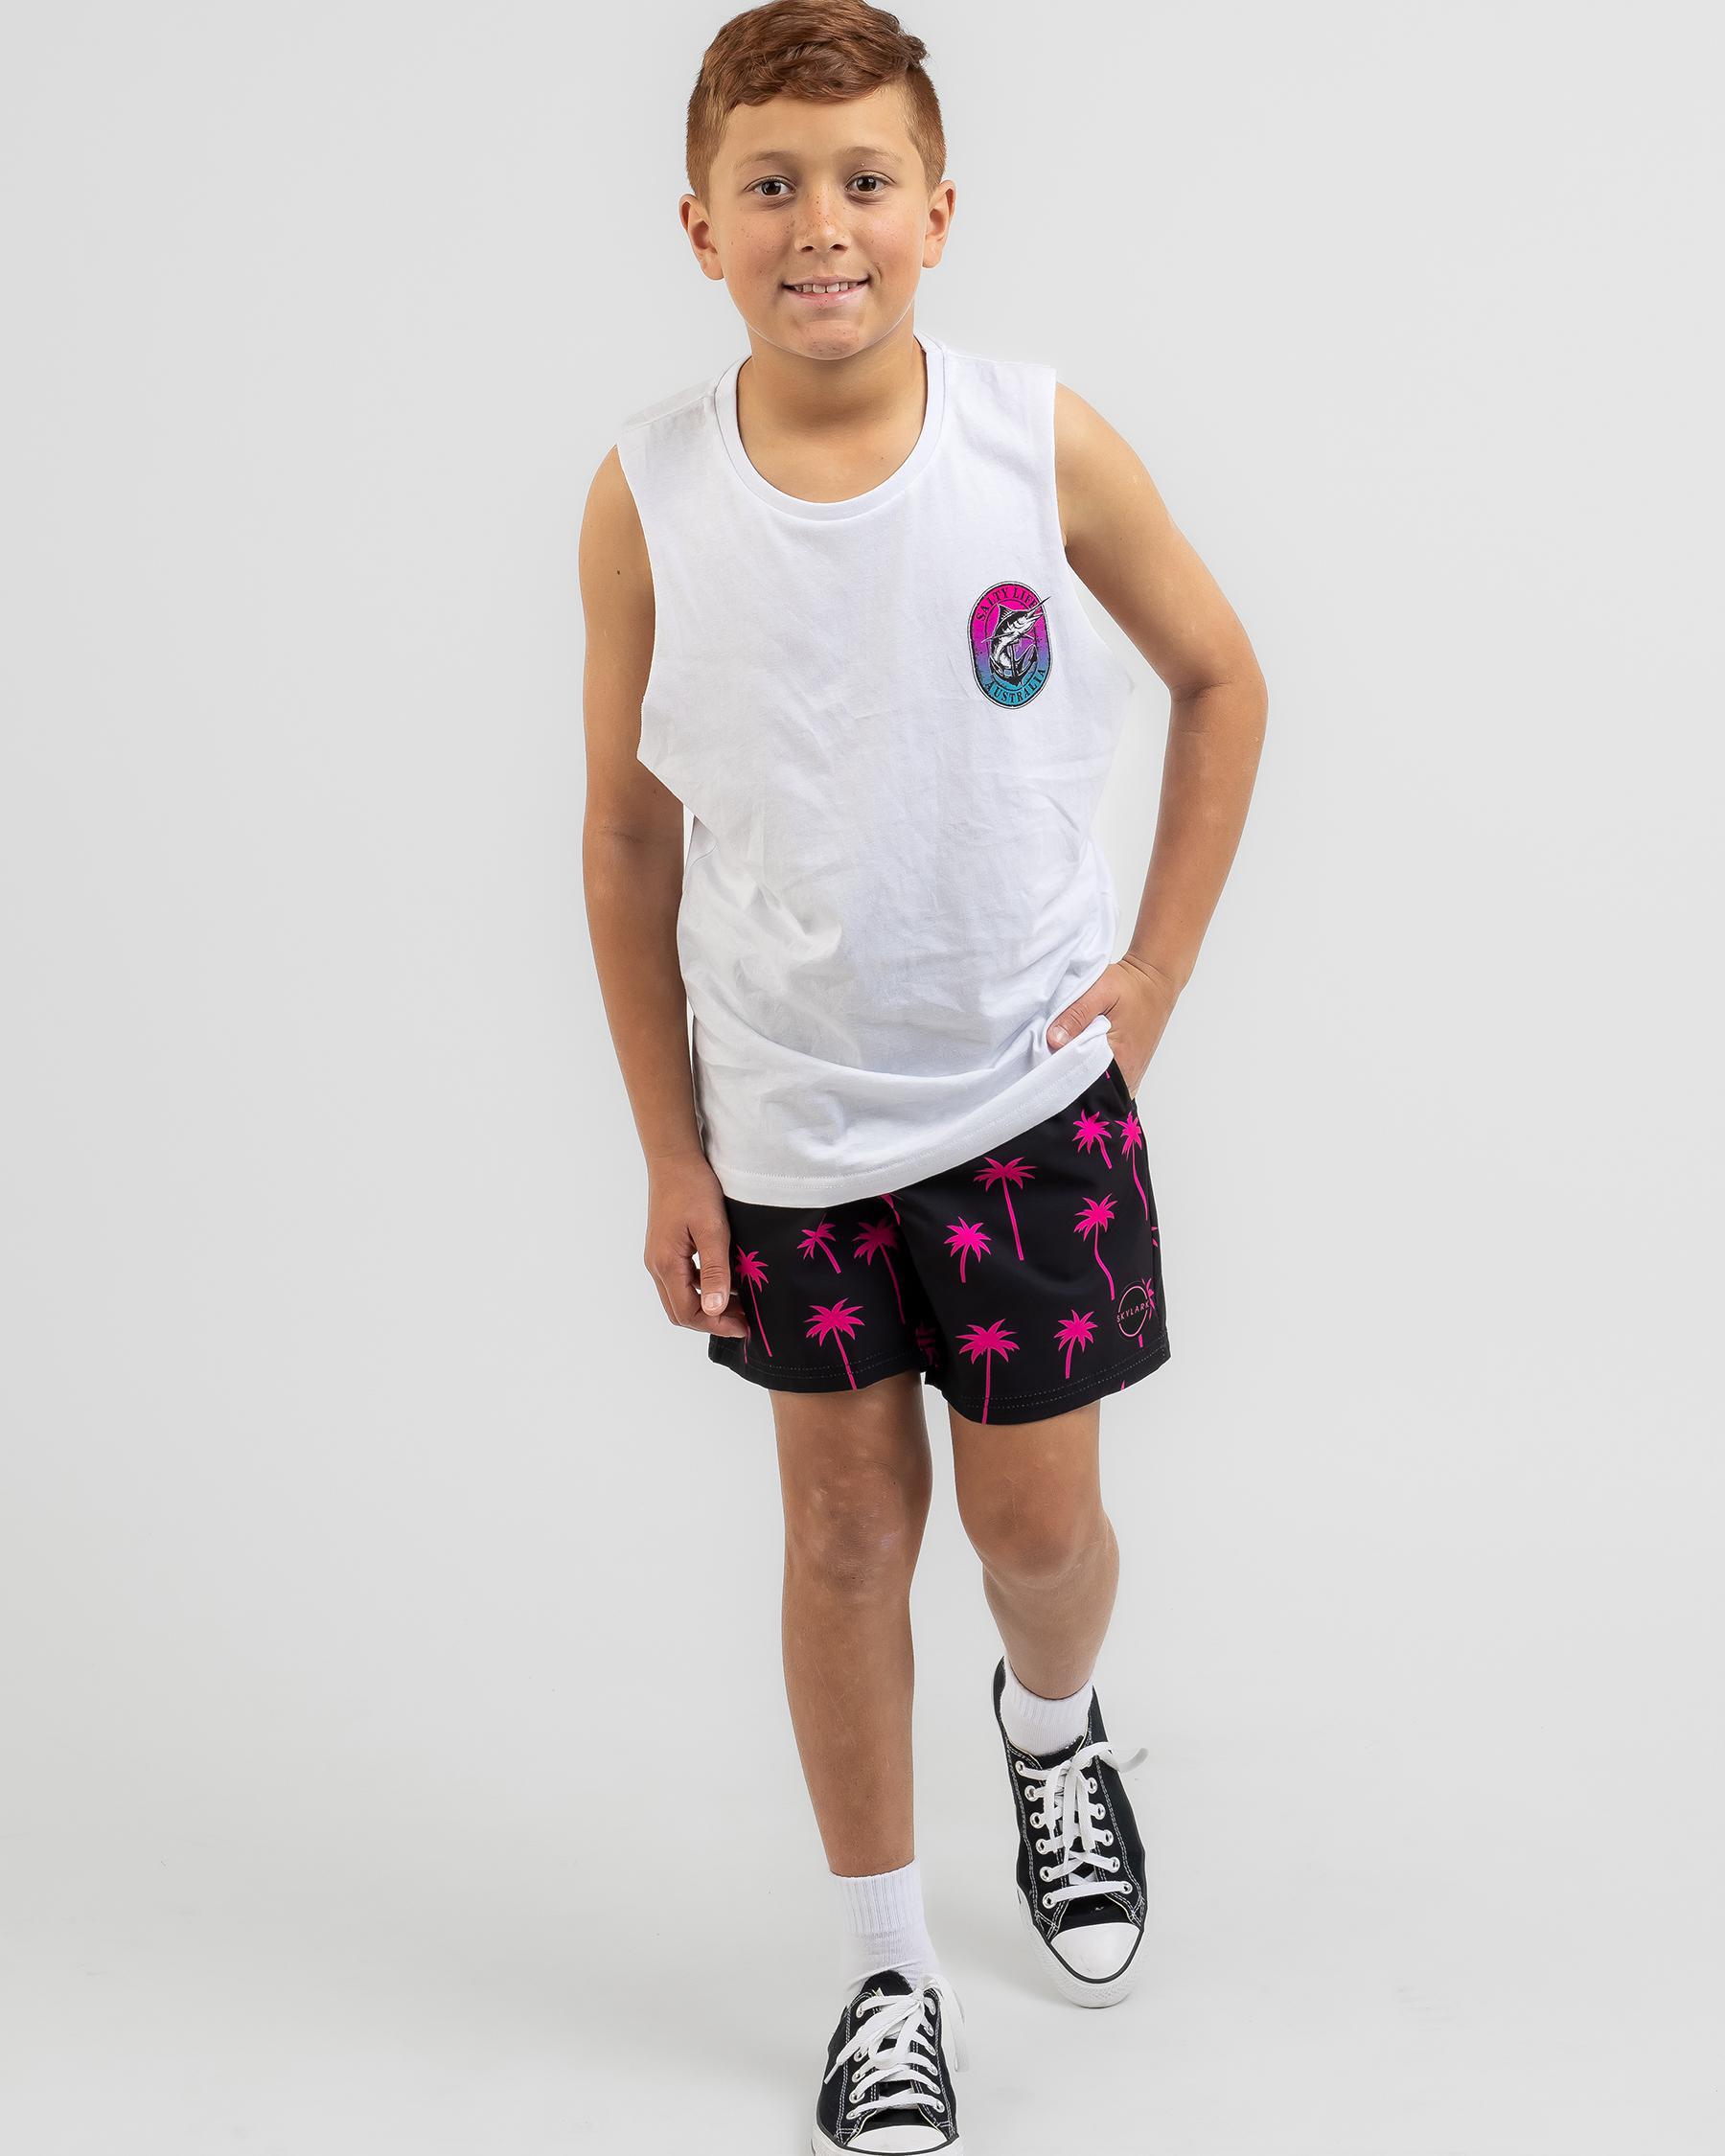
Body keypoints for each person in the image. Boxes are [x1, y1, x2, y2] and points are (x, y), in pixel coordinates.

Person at [579, 3, 1267, 2146]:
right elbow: (629, 838)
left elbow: (1223, 678)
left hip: (1024, 1107)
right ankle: (887, 1970)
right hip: (791, 1132)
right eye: (773, 186)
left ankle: (1053, 1736)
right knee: (846, 1532)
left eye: (864, 180)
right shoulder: (647, 498)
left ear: (939, 210)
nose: (823, 226)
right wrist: (671, 1147)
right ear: (700, 227)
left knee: (1038, 1535)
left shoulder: (1034, 444)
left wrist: (1153, 972)